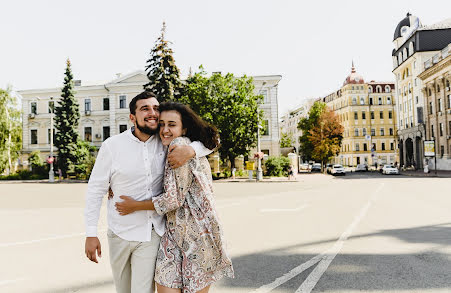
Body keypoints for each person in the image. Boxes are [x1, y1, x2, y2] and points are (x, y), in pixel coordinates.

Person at [84, 91, 212, 293]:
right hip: (119, 232)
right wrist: (91, 233)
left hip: (151, 233)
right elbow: (95, 190)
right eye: (145, 109)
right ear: (132, 117)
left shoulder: (167, 143)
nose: (152, 113)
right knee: (123, 290)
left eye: (155, 108)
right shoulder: (112, 146)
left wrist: (192, 150)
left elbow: (211, 140)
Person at [115, 101, 234, 293]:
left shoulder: (179, 146)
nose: (165, 129)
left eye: (172, 124)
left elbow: (173, 200)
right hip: (172, 234)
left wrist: (134, 205)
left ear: (184, 128)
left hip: (197, 235)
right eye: (161, 124)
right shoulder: (167, 144)